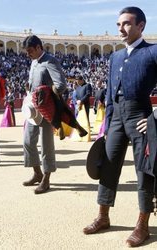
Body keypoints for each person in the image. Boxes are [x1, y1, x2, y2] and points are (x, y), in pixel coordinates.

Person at [83, 6, 157, 248]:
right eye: (118, 25)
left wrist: (155, 116)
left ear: (141, 26)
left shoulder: (152, 52)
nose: (121, 29)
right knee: (107, 165)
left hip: (140, 116)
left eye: (126, 24)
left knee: (143, 171)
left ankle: (142, 224)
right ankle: (103, 216)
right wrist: (106, 125)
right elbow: (112, 94)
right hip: (116, 118)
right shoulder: (114, 56)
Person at [22, 35, 67, 194]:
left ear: (39, 47)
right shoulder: (34, 62)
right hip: (33, 108)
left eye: (30, 51)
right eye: (27, 52)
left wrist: (46, 95)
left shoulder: (50, 61)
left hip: (47, 108)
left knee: (46, 144)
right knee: (27, 141)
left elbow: (61, 85)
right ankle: (37, 172)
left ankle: (46, 179)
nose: (28, 54)